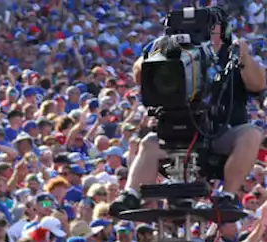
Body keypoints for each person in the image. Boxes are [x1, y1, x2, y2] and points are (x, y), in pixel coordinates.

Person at [112, 10, 266, 215]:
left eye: (212, 27)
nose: (205, 32)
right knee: (149, 143)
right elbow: (140, 74)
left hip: (219, 134)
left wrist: (243, 57)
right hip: (176, 133)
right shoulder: (170, 51)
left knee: (251, 133)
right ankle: (130, 194)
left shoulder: (232, 54)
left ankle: (227, 196)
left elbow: (259, 83)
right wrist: (157, 53)